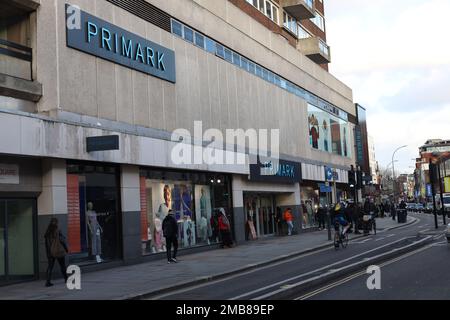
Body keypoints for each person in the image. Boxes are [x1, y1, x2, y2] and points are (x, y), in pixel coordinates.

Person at [44, 218, 68, 287]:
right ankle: (66, 279)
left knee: (50, 267)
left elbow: (47, 244)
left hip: (50, 253)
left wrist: (49, 253)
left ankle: (47, 282)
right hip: (58, 251)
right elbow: (62, 241)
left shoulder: (47, 232)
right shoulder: (58, 231)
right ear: (57, 223)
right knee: (62, 265)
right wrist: (66, 249)